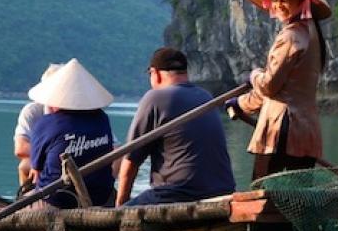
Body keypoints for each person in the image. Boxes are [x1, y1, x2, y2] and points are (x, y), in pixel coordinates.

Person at [224, 0, 329, 180]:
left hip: (282, 130)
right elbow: (284, 88)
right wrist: (242, 103)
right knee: (298, 197)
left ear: (301, 1)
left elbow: (270, 85)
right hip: (306, 130)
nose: (279, 4)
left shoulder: (291, 36)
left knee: (262, 195)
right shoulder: (312, 34)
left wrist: (254, 75)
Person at [116, 47, 235, 206]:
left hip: (177, 195)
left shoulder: (155, 98)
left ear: (155, 74)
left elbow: (131, 161)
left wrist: (120, 208)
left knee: (122, 215)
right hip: (223, 191)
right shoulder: (206, 96)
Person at [28, 58, 116, 208]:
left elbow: (37, 168)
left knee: (23, 201)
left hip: (56, 201)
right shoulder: (102, 119)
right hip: (101, 198)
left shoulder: (46, 123)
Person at [14, 63, 62, 187]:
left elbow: (114, 149)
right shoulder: (33, 111)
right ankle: (27, 201)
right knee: (25, 165)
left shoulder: (85, 112)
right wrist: (49, 157)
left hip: (81, 162)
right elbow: (20, 148)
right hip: (49, 161)